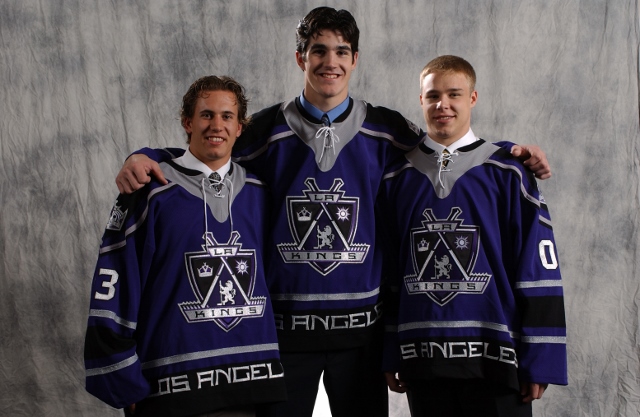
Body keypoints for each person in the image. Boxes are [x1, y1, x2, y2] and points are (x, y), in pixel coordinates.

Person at [112, 8, 552, 417]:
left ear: (355, 59)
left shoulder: (387, 130)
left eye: (341, 51)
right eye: (318, 50)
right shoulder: (264, 131)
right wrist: (145, 155)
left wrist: (512, 153)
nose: (330, 61)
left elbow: (450, 148)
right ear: (300, 56)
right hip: (284, 334)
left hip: (362, 334)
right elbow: (207, 153)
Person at [84, 76, 286, 417]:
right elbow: (115, 282)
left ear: (240, 128)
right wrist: (119, 372)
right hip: (171, 383)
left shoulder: (260, 192)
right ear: (187, 122)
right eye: (206, 115)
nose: (216, 126)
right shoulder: (150, 191)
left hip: (249, 383)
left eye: (227, 117)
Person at [379, 55, 567, 417]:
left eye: (454, 94)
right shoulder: (396, 178)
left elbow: (538, 265)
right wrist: (391, 348)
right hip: (424, 356)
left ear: (473, 98)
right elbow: (389, 273)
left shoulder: (507, 172)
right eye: (433, 96)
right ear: (421, 100)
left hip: (495, 356)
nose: (442, 105)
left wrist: (540, 357)